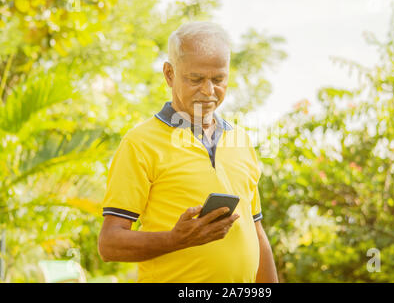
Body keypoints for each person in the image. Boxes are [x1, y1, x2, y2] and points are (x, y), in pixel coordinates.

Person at [98, 21, 278, 283]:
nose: (208, 91)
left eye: (218, 80)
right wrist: (175, 239)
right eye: (196, 79)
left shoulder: (240, 140)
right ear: (169, 74)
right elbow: (109, 245)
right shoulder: (139, 143)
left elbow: (256, 232)